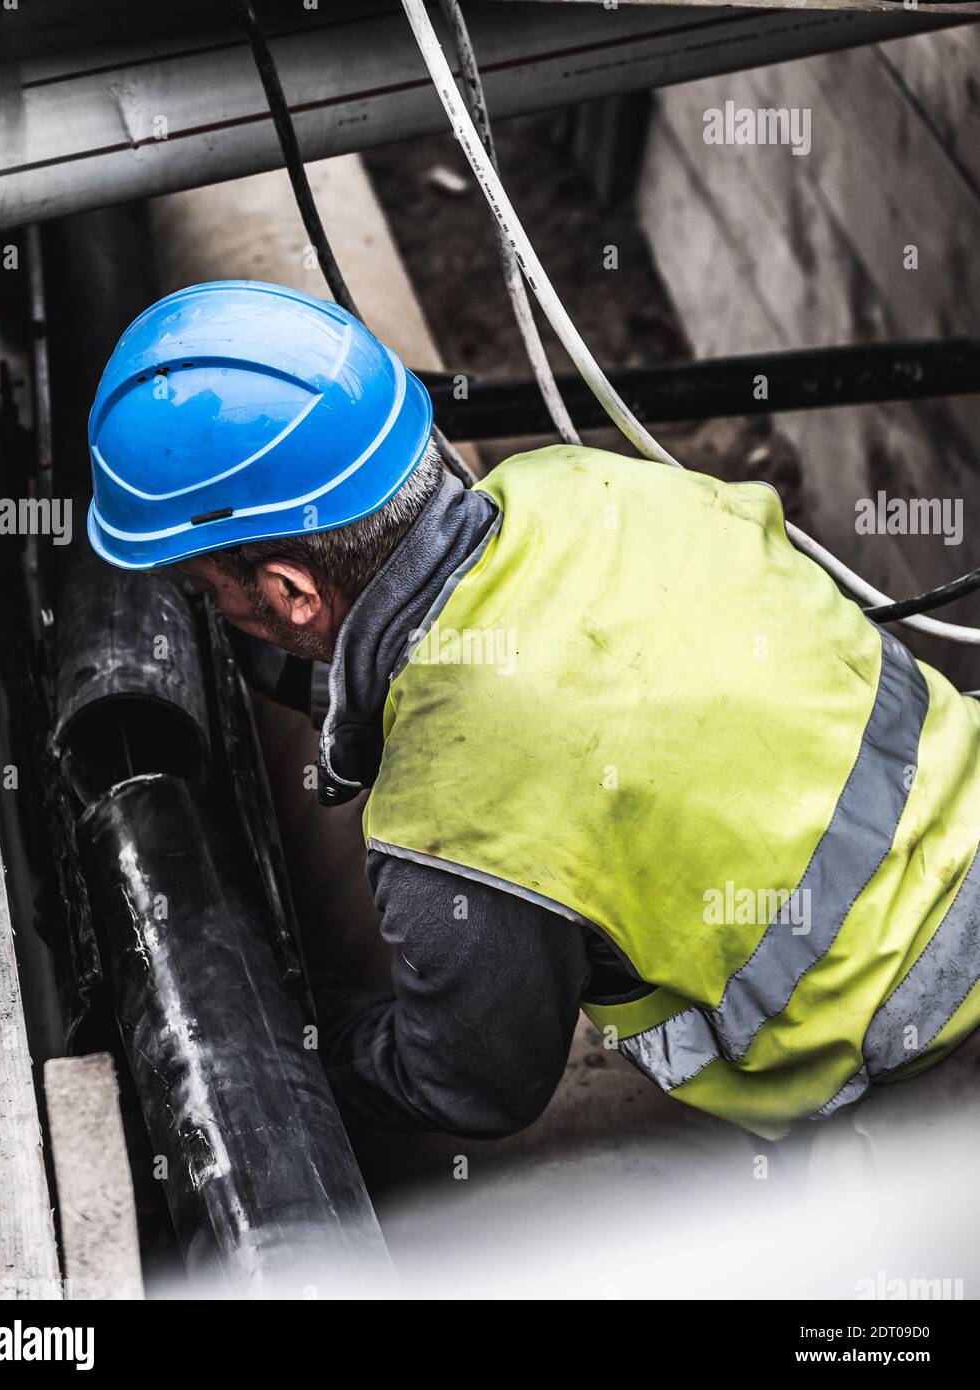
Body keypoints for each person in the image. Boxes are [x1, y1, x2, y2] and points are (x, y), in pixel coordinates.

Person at [87, 278, 980, 1141]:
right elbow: (540, 666)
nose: (214, 613)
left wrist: (276, 1024)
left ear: (288, 590)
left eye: (208, 594)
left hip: (926, 1068)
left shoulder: (458, 821)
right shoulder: (588, 486)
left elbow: (469, 1087)